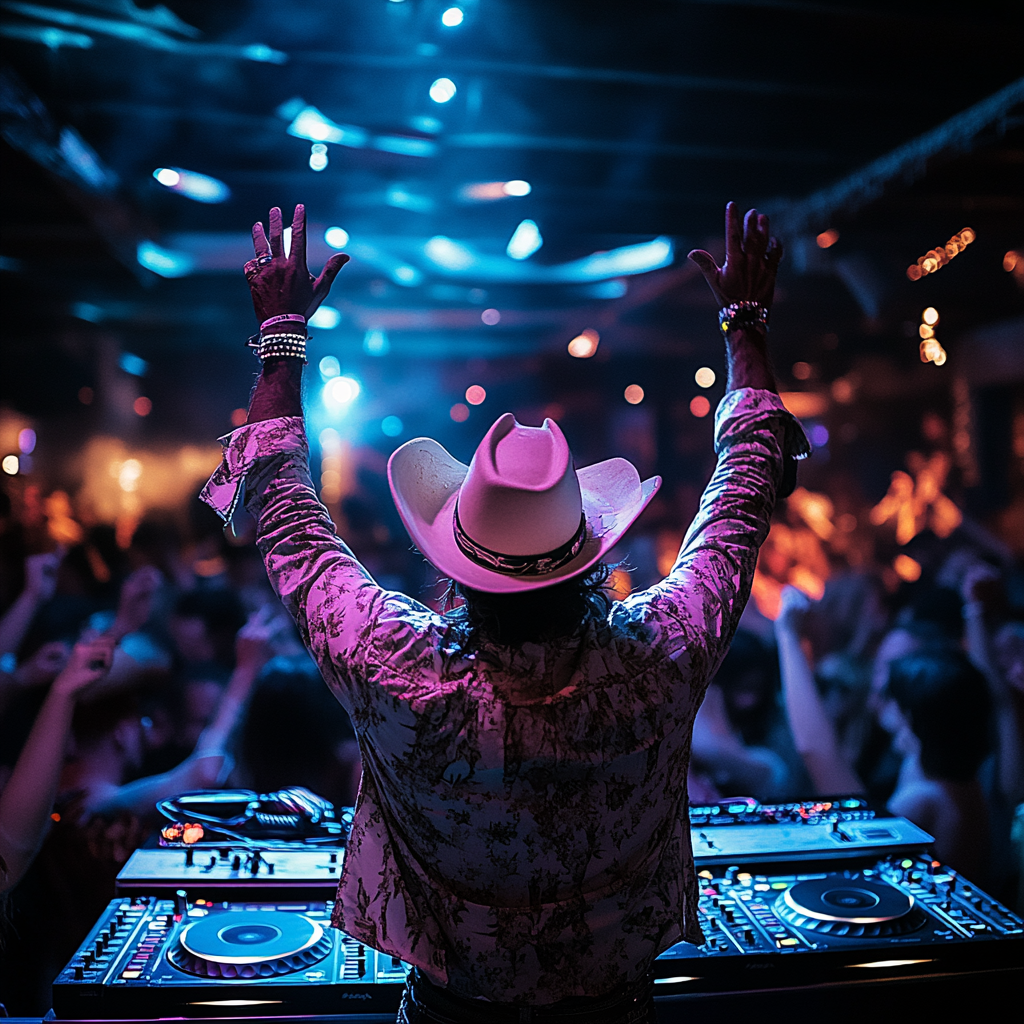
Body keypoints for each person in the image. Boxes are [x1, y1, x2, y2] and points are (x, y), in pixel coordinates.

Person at [200, 201, 806, 1022]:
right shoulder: (662, 652)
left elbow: (282, 511)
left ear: (458, 566)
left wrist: (281, 335)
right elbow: (744, 491)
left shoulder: (393, 664)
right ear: (589, 556)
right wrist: (745, 322)